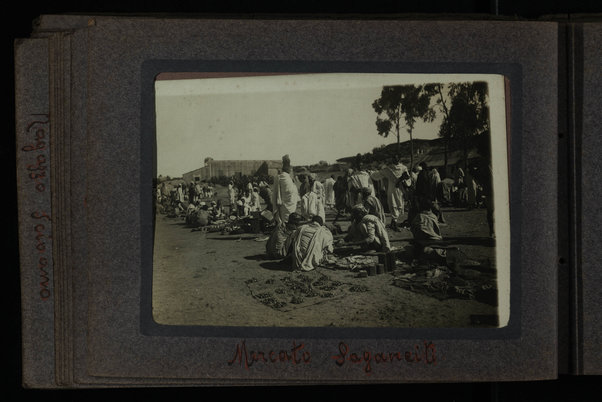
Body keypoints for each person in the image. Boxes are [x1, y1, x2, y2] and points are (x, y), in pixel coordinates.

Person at [370, 156, 409, 231]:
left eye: (396, 159)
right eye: (394, 159)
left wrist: (402, 180)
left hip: (398, 189)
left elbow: (407, 177)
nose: (395, 160)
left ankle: (393, 222)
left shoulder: (402, 168)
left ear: (399, 159)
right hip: (394, 189)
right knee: (394, 204)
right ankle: (394, 223)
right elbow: (377, 175)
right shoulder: (388, 169)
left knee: (399, 205)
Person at [272, 155, 300, 225]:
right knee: (285, 223)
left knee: (290, 221)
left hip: (290, 205)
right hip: (284, 207)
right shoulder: (280, 178)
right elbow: (275, 194)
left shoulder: (288, 178)